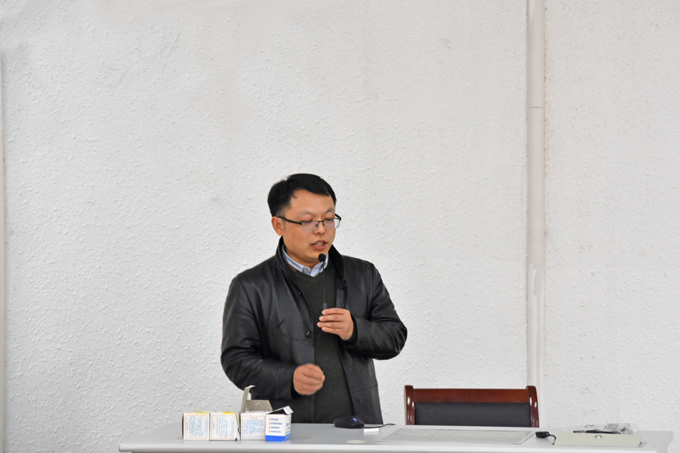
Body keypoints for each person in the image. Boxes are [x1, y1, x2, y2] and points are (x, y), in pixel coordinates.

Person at [221, 173, 407, 424]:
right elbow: (236, 360)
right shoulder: (251, 286)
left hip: (359, 428)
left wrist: (356, 330)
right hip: (287, 431)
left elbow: (394, 337)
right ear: (278, 225)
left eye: (328, 219)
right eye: (307, 221)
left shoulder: (363, 274)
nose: (321, 230)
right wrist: (288, 379)